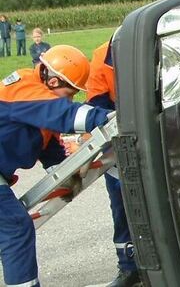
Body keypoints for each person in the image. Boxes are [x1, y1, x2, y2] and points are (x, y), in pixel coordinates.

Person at [0, 45, 112, 287]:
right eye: (70, 93)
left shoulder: (36, 99)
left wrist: (64, 170)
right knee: (15, 228)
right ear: (52, 82)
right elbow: (64, 115)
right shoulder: (24, 87)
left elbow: (48, 143)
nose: (71, 99)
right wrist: (117, 118)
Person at [84, 40, 140, 287]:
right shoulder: (101, 59)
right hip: (118, 133)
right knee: (121, 203)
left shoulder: (152, 46)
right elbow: (96, 106)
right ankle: (129, 267)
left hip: (158, 128)